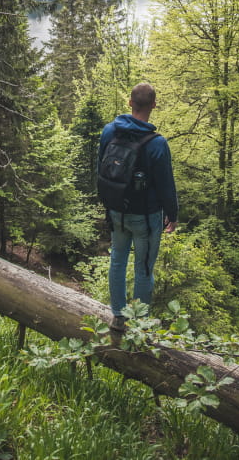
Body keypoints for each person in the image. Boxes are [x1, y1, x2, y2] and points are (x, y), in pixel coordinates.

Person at [97, 82, 178, 329]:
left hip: (116, 210)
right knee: (143, 268)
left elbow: (101, 167)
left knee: (117, 261)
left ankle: (118, 316)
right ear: (154, 105)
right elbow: (166, 184)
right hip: (146, 217)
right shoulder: (157, 143)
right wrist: (172, 214)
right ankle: (139, 324)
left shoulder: (109, 131)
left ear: (130, 102)